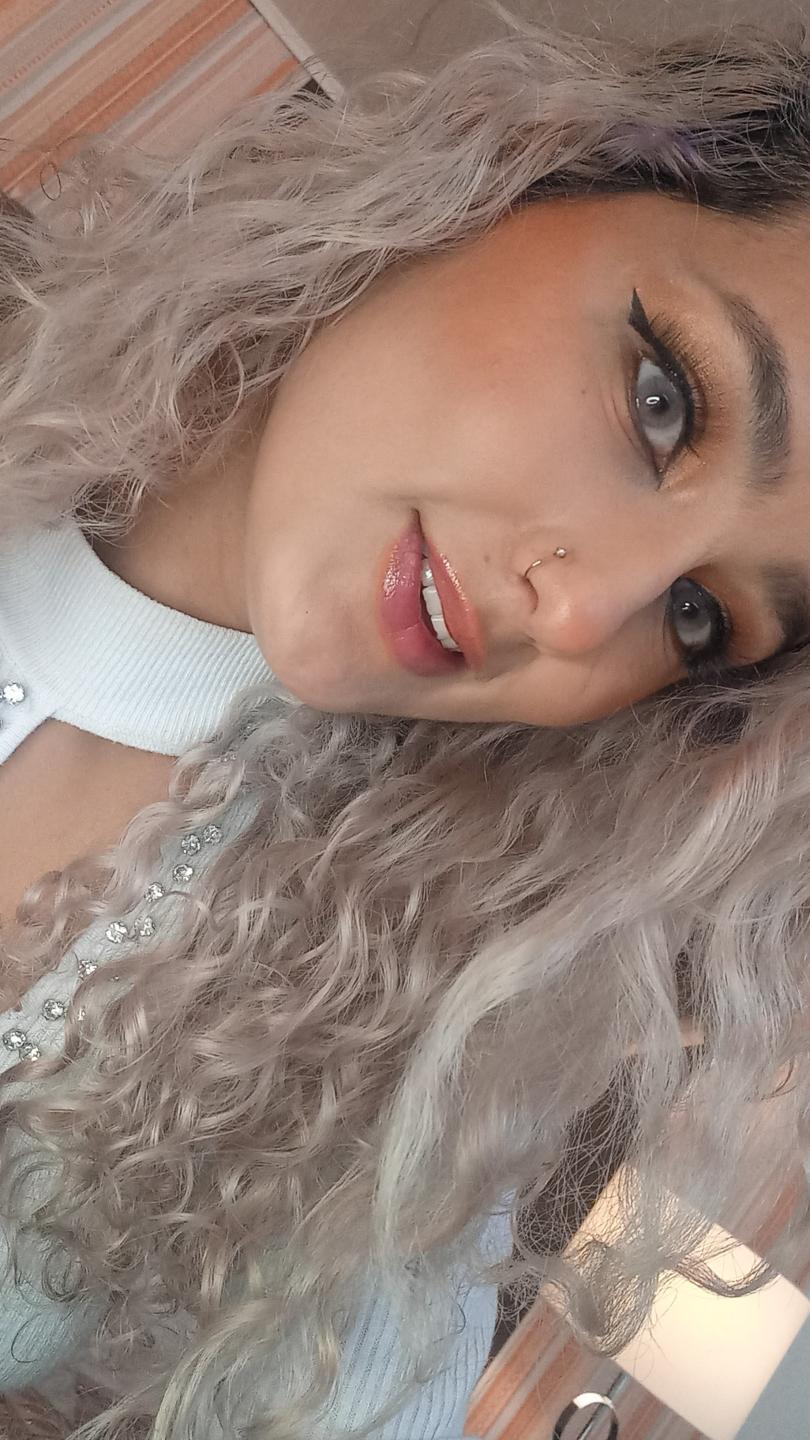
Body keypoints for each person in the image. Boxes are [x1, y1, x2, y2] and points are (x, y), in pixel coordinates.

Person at [0, 3, 809, 1434]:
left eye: (699, 619)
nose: (583, 612)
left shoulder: (357, 1054)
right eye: (663, 400)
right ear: (528, 169)